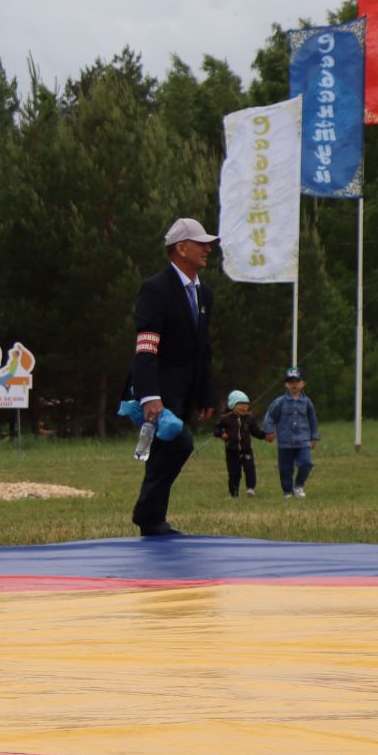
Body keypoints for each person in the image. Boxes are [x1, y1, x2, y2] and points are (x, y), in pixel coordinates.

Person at [127, 217, 218, 537]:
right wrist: (149, 395)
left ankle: (152, 521)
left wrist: (206, 393)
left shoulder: (204, 293)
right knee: (179, 444)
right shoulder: (156, 289)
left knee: (166, 453)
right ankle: (147, 515)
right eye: (201, 243)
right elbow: (146, 346)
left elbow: (202, 348)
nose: (208, 248)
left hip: (185, 391)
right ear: (181, 248)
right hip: (160, 390)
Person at [262, 367, 321, 499]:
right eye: (290, 382)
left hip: (303, 441)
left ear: (303, 383)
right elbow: (270, 417)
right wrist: (269, 431)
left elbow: (313, 420)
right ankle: (287, 491)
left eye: (297, 381)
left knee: (306, 463)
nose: (294, 384)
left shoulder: (307, 402)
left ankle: (299, 486)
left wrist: (314, 437)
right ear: (286, 384)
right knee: (285, 469)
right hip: (285, 442)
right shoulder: (280, 402)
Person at [212, 389, 271, 498]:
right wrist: (221, 434)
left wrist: (265, 436)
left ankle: (250, 488)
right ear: (232, 405)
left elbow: (255, 431)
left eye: (246, 404)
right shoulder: (225, 419)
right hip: (231, 451)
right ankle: (233, 494)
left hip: (246, 450)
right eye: (240, 404)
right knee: (234, 473)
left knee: (250, 469)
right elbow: (216, 430)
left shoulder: (250, 418)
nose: (244, 407)